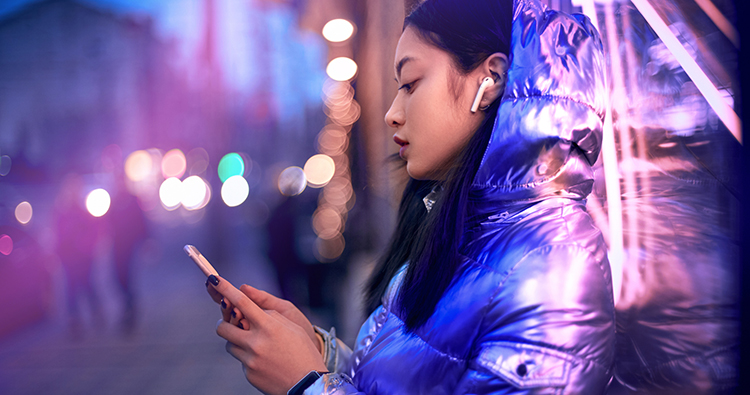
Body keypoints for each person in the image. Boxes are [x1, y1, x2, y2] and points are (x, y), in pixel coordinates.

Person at [205, 0, 615, 393]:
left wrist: (308, 384)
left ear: (490, 80)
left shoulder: (554, 264)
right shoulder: (456, 228)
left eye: (410, 83)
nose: (392, 113)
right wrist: (317, 354)